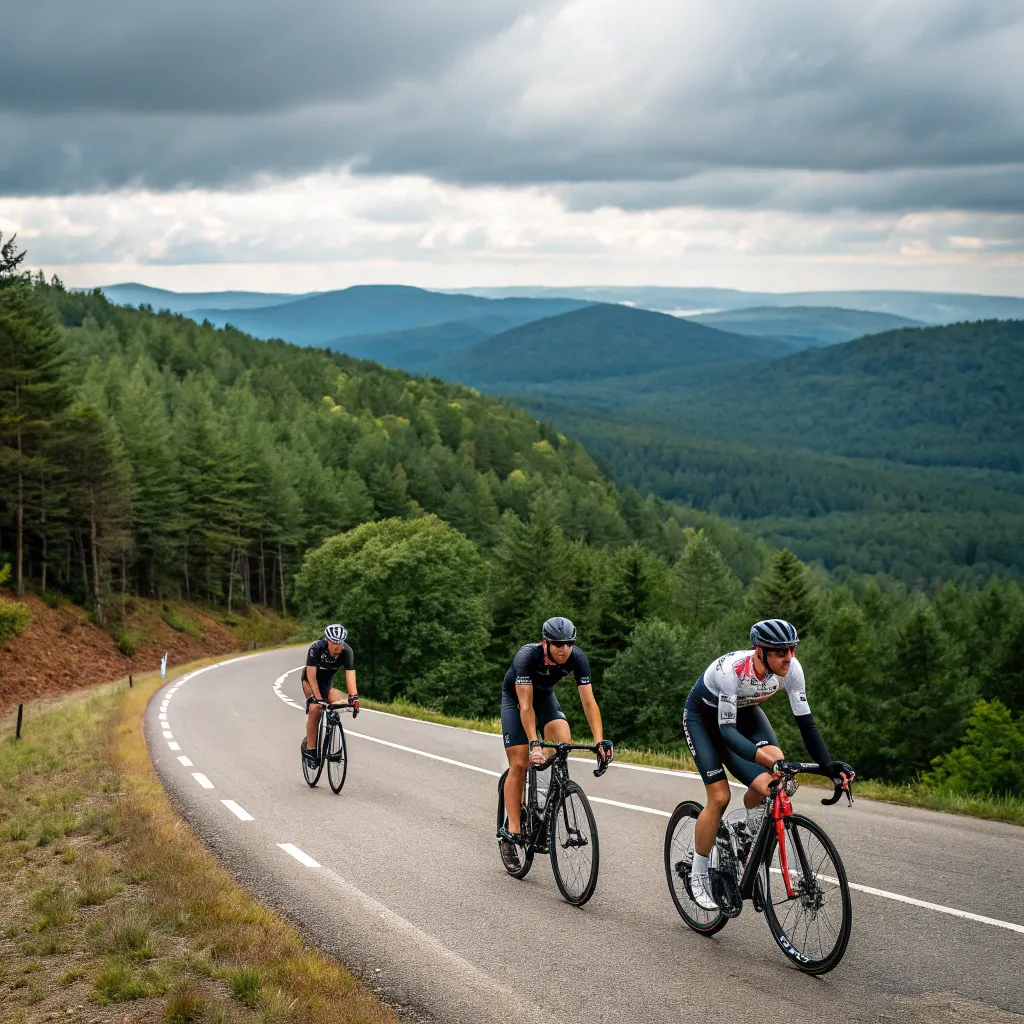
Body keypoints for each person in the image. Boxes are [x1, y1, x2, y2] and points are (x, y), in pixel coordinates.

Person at [682, 618, 853, 911]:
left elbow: (807, 725)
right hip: (706, 720)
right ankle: (698, 874)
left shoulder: (792, 670)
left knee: (777, 780)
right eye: (780, 652)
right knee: (720, 796)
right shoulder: (733, 672)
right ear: (760, 652)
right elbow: (728, 733)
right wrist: (768, 761)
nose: (789, 658)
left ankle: (744, 827)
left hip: (746, 713)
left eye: (792, 650)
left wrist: (827, 766)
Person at [497, 616, 613, 853]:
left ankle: (545, 804)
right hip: (518, 701)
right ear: (546, 642)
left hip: (545, 698)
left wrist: (599, 741)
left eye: (569, 643)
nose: (564, 650)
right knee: (519, 761)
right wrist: (534, 744)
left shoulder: (577, 658)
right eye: (558, 644)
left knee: (563, 741)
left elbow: (589, 703)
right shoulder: (527, 656)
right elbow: (526, 707)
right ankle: (513, 829)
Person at [301, 623, 359, 767]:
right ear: (328, 640)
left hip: (327, 685)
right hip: (310, 682)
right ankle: (311, 750)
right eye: (333, 644)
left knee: (339, 705)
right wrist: (318, 698)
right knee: (316, 708)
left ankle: (333, 745)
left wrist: (354, 697)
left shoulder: (347, 651)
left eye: (339, 646)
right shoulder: (316, 648)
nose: (336, 649)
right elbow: (311, 675)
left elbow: (350, 675)